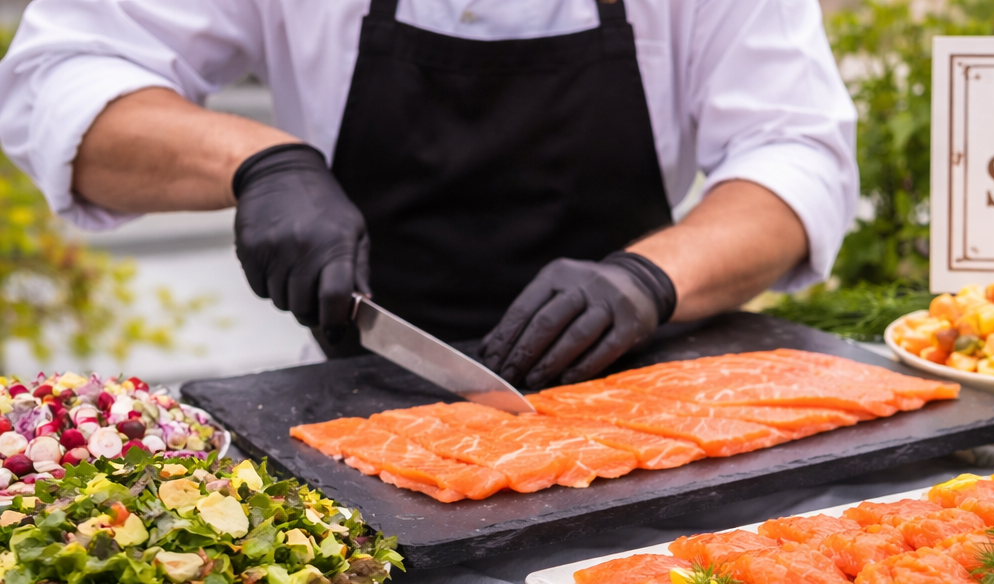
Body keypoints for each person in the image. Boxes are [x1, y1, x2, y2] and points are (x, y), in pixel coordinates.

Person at [0, 0, 856, 388]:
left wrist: (647, 279)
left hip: (644, 400)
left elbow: (796, 151)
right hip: (351, 406)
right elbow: (59, 80)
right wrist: (259, 163)